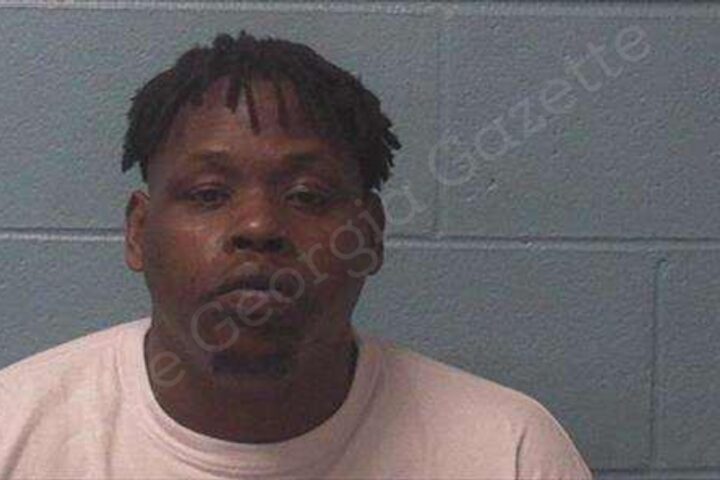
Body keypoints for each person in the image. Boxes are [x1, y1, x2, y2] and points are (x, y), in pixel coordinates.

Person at [0, 32, 592, 479]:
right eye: (209, 194)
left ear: (370, 236)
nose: (258, 227)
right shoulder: (16, 432)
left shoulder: (506, 452)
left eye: (307, 195)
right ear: (138, 231)